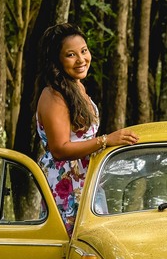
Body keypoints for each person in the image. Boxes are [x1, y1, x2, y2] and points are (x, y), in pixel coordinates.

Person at [35, 23, 138, 233]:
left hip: (87, 180)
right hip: (66, 184)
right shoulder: (54, 95)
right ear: (57, 60)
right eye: (71, 55)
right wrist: (105, 140)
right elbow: (60, 148)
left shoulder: (77, 87)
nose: (81, 60)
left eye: (84, 51)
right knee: (75, 246)